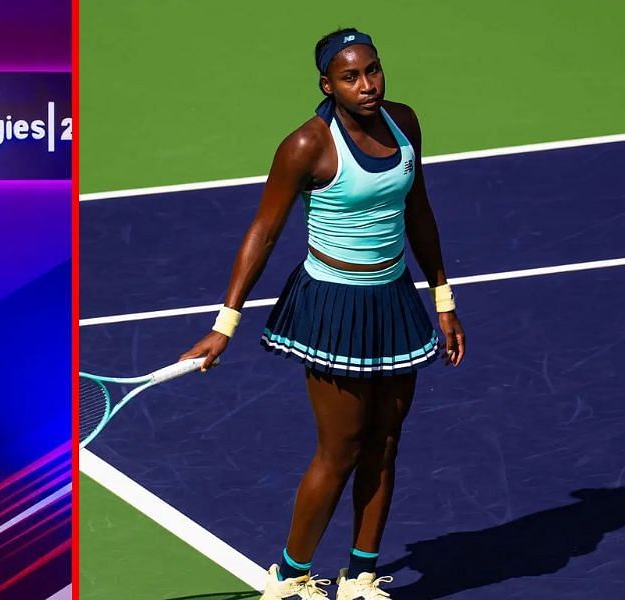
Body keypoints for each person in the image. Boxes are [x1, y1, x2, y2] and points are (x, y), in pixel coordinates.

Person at [180, 29, 466, 600]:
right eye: (351, 77)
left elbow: (419, 210)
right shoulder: (307, 146)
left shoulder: (405, 122)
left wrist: (443, 296)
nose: (368, 85)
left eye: (373, 70)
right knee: (341, 449)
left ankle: (360, 575)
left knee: (386, 440)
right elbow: (263, 233)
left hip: (393, 298)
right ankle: (288, 577)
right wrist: (225, 322)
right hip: (333, 306)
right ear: (326, 85)